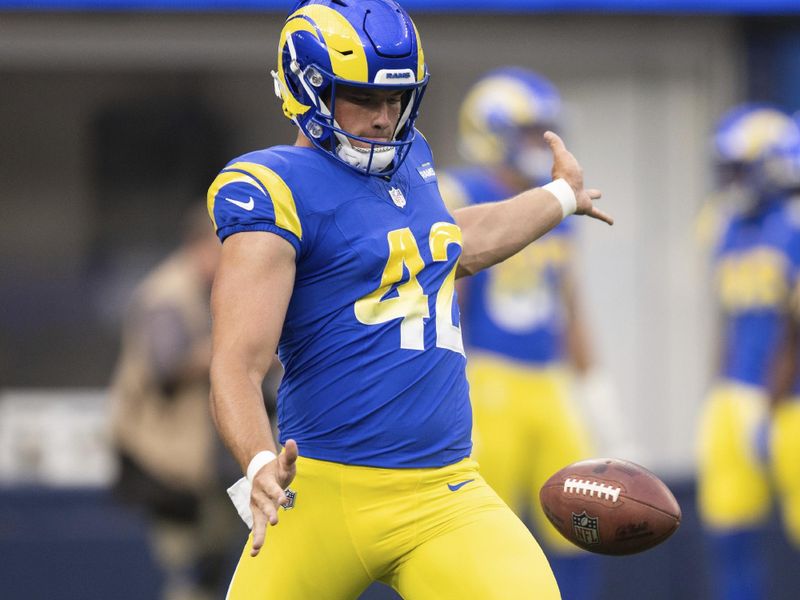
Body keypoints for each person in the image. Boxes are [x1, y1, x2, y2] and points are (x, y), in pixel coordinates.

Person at [206, 1, 611, 598]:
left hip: (444, 494)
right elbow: (236, 364)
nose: (383, 118)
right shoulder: (270, 187)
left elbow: (449, 242)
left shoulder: (411, 157)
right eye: (364, 98)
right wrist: (260, 463)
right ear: (307, 89)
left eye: (395, 101)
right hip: (324, 492)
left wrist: (556, 198)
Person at [437, 67, 622, 600]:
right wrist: (451, 393)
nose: (534, 146)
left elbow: (571, 308)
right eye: (525, 132)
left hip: (548, 382)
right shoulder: (461, 191)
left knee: (583, 526)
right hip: (487, 379)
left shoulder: (553, 204)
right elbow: (448, 296)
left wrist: (598, 397)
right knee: (484, 533)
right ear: (490, 131)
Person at [695, 104, 800, 600]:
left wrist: (771, 402)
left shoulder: (794, 223)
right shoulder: (724, 223)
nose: (732, 179)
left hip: (790, 403)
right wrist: (720, 388)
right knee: (730, 535)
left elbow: (794, 327)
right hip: (735, 394)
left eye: (741, 166)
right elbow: (727, 319)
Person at [109, 205, 238, 600]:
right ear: (200, 246)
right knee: (187, 569)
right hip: (163, 461)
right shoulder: (168, 292)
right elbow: (167, 365)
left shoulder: (215, 288)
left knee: (215, 560)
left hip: (206, 462)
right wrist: (229, 351)